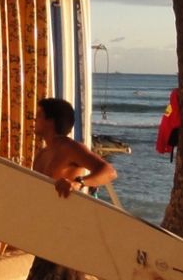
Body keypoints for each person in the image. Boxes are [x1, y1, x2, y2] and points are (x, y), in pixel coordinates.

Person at [26, 98, 117, 280]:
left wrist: (78, 182)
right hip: (47, 235)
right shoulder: (42, 155)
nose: (34, 120)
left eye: (39, 116)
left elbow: (109, 172)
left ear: (50, 121)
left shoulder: (70, 148)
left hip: (67, 235)